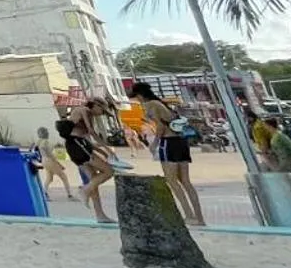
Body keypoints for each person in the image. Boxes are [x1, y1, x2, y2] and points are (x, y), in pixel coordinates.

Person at [129, 82, 203, 225]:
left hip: (168, 143)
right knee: (186, 181)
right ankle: (199, 217)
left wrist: (154, 143)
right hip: (181, 142)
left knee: (172, 180)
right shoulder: (162, 104)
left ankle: (189, 215)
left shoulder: (150, 105)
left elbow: (161, 126)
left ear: (139, 96)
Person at [58, 118, 114, 223]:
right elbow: (87, 147)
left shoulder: (73, 139)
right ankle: (85, 190)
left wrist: (103, 152)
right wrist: (101, 154)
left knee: (94, 181)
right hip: (84, 154)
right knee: (109, 171)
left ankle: (100, 215)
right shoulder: (76, 138)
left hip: (78, 156)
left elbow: (90, 145)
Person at [36, 126, 74, 200]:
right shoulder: (45, 142)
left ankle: (44, 192)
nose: (48, 133)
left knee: (49, 178)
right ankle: (69, 194)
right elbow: (50, 154)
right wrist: (59, 164)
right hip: (49, 160)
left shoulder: (39, 141)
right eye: (46, 132)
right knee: (63, 176)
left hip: (44, 160)